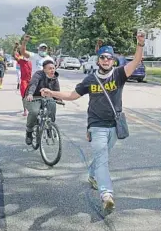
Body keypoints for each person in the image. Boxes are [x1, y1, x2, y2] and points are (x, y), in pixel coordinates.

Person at [40, 32, 146, 212]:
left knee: (102, 156)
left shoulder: (119, 75)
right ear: (98, 60)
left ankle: (92, 174)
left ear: (113, 61)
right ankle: (106, 195)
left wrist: (140, 44)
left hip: (114, 125)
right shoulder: (90, 79)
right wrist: (53, 93)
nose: (106, 60)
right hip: (97, 125)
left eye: (109, 58)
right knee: (102, 159)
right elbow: (73, 95)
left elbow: (136, 62)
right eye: (102, 57)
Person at [23, 58, 60, 144]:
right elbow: (33, 84)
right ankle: (29, 132)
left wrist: (59, 99)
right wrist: (30, 94)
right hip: (33, 97)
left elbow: (56, 91)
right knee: (35, 112)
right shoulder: (38, 74)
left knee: (52, 104)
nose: (52, 70)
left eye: (53, 68)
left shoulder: (55, 77)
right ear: (44, 69)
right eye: (50, 68)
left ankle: (50, 127)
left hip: (46, 97)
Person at [13, 43, 32, 116]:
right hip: (24, 80)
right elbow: (15, 56)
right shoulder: (21, 61)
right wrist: (15, 48)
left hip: (32, 80)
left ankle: (32, 108)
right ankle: (25, 110)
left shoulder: (32, 61)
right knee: (24, 96)